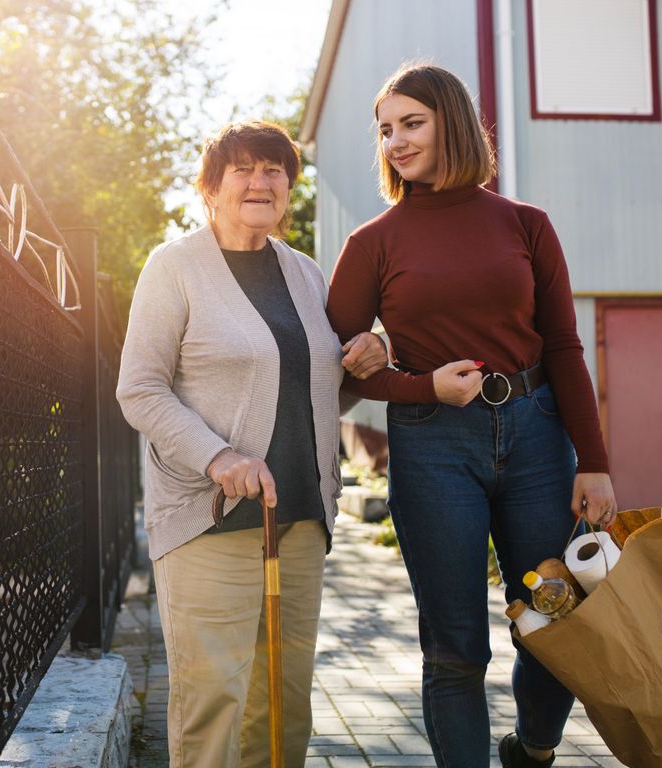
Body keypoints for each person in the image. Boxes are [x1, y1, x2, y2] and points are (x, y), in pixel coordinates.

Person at [326, 64, 618, 768]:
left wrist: (597, 461)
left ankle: (535, 749)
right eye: (386, 130)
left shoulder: (527, 225)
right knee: (455, 647)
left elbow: (565, 346)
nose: (395, 141)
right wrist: (420, 384)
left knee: (554, 625)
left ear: (451, 121)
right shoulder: (373, 242)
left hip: (539, 439)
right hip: (433, 451)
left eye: (412, 123)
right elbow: (334, 371)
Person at [116, 120, 387, 768]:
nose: (261, 181)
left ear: (289, 187)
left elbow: (314, 391)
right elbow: (140, 389)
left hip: (299, 522)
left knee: (286, 709)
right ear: (211, 187)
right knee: (214, 707)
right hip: (210, 523)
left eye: (275, 170)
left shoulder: (305, 274)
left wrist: (374, 353)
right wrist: (220, 456)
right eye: (243, 169)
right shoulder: (174, 267)